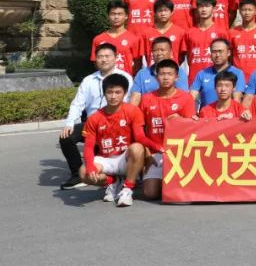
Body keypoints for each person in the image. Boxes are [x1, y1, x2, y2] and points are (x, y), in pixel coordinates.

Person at [59, 43, 133, 190]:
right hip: (92, 124)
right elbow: (77, 104)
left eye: (107, 56)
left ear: (115, 58)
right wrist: (69, 123)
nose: (104, 59)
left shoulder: (125, 78)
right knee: (66, 137)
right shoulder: (89, 80)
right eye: (100, 57)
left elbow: (129, 104)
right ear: (95, 59)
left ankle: (118, 175)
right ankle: (77, 174)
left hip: (116, 125)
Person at [79, 73, 149, 207]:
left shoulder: (133, 111)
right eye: (109, 92)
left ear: (125, 93)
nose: (113, 96)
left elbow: (140, 138)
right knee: (83, 173)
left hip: (125, 158)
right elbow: (88, 147)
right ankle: (112, 181)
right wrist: (90, 167)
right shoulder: (94, 118)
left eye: (118, 92)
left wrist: (157, 147)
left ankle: (127, 188)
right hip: (106, 160)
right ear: (104, 93)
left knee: (137, 148)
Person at [137, 58, 195, 200]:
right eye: (162, 74)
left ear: (176, 77)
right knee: (150, 194)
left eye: (169, 74)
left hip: (178, 153)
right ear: (156, 77)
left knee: (179, 192)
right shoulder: (146, 99)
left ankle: (170, 181)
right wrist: (147, 153)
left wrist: (181, 120)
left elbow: (192, 128)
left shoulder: (186, 98)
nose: (166, 77)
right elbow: (140, 130)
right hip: (156, 152)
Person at [130, 37, 188, 107]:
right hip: (147, 111)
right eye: (155, 50)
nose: (159, 53)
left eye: (162, 50)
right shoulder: (142, 74)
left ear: (171, 52)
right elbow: (134, 101)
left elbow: (182, 99)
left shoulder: (179, 72)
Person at [180, 0, 224, 86]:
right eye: (201, 6)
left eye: (207, 6)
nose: (204, 9)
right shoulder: (189, 32)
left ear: (214, 9)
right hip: (194, 79)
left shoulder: (221, 31)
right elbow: (186, 56)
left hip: (216, 79)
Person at [190, 38, 245, 109]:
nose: (217, 55)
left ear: (228, 53)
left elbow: (236, 99)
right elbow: (191, 97)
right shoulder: (202, 73)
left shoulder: (238, 73)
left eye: (220, 51)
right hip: (206, 114)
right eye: (214, 52)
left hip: (228, 114)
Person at [90, 0, 140, 75]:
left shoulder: (134, 39)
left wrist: (129, 77)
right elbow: (95, 62)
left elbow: (138, 63)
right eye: (113, 14)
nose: (116, 17)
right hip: (105, 79)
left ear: (126, 16)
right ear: (108, 16)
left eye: (120, 14)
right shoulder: (98, 39)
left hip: (126, 79)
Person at [229, 0, 256, 78]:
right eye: (244, 10)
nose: (247, 13)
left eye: (250, 10)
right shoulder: (232, 32)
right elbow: (229, 56)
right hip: (237, 77)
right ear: (239, 11)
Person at [140, 0, 185, 68]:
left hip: (172, 70)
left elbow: (181, 56)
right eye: (160, 11)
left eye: (166, 10)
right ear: (155, 13)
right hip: (152, 70)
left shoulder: (180, 32)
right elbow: (143, 56)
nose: (163, 13)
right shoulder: (146, 33)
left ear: (172, 12)